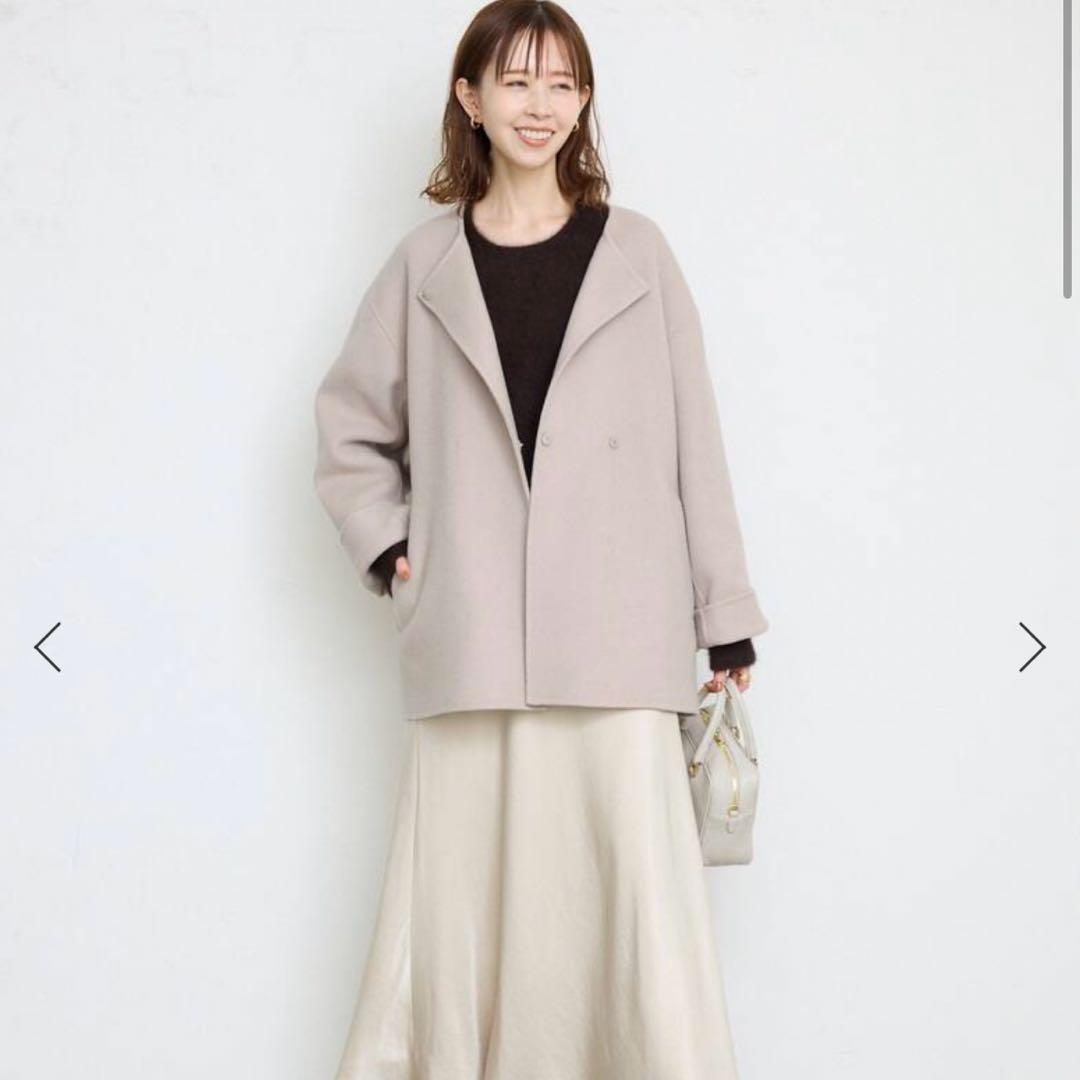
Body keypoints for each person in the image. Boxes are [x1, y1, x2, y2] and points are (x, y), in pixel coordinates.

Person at [312, 2, 769, 1076]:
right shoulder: (422, 265)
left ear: (584, 100)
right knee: (462, 913)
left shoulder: (639, 253)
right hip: (471, 645)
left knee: (630, 916)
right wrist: (391, 548)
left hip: (618, 638)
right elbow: (348, 426)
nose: (540, 105)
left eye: (562, 82)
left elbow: (694, 443)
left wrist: (724, 618)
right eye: (516, 80)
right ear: (469, 98)